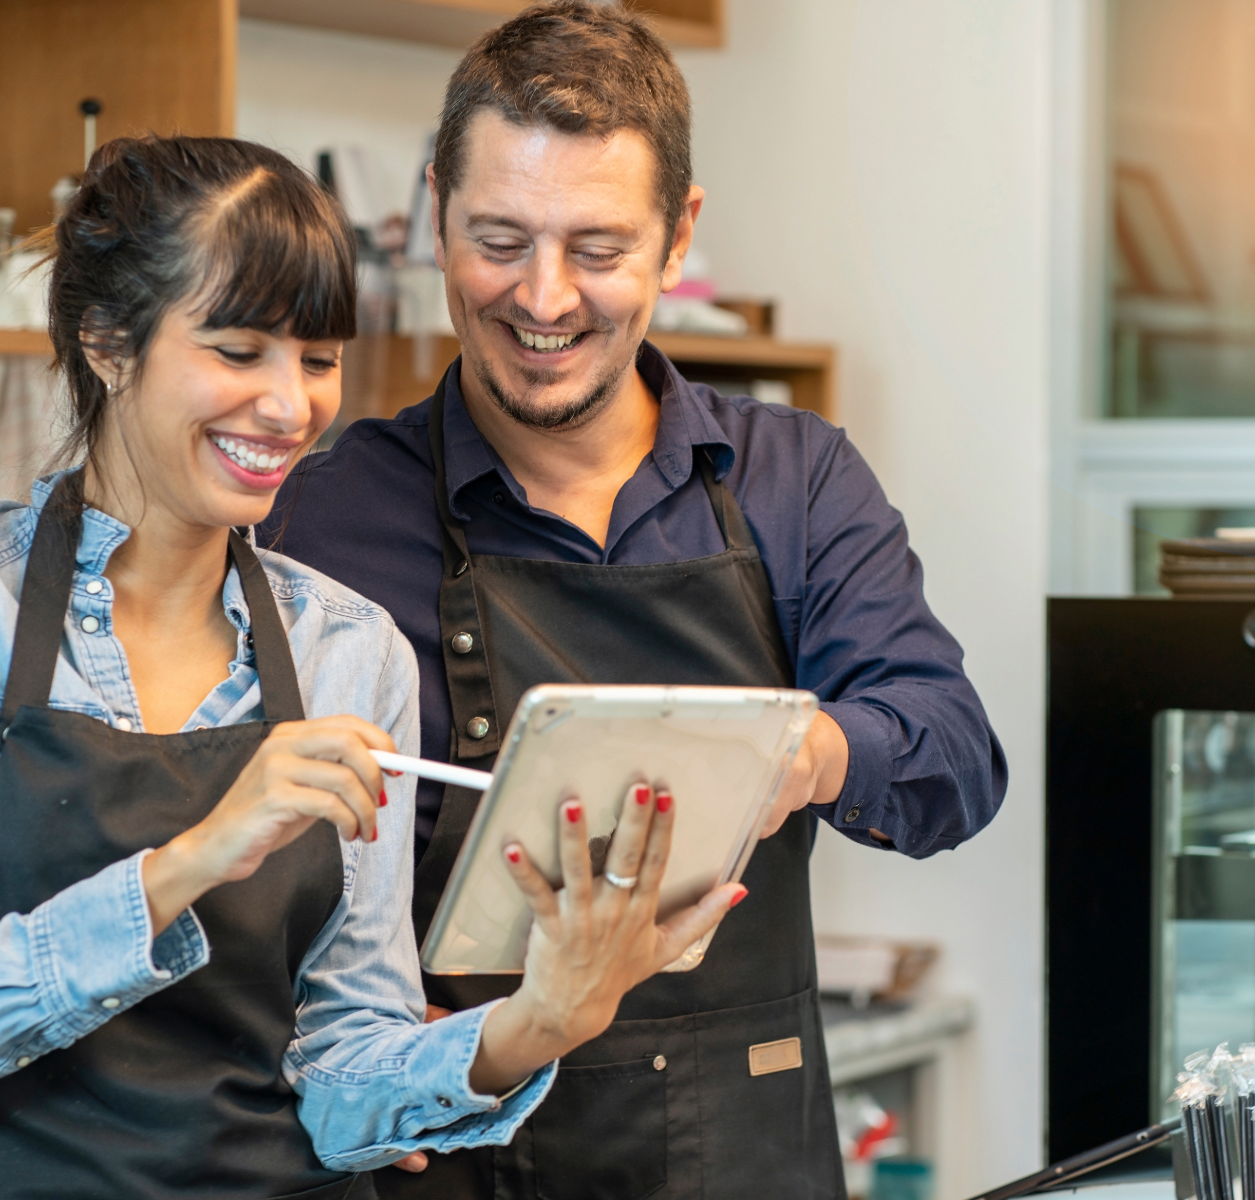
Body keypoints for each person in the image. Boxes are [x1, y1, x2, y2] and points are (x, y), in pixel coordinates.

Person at [0, 135, 748, 1200]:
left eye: (316, 360)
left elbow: (346, 1072)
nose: (289, 406)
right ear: (109, 343)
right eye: (238, 349)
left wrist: (543, 1018)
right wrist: (195, 857)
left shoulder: (348, 651)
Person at [260, 5, 1009, 1198]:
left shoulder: (794, 481)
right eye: (498, 239)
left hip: (745, 1153)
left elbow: (957, 764)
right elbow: (251, 884)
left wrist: (813, 750)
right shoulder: (322, 516)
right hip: (450, 1160)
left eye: (598, 250)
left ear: (679, 236)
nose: (543, 300)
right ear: (432, 214)